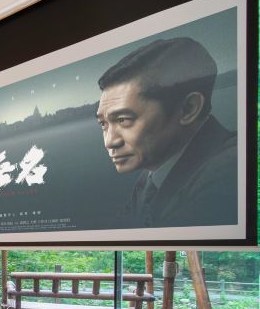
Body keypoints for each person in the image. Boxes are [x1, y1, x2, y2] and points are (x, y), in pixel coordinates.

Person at [96, 36, 237, 228]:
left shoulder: (227, 174)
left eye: (123, 120)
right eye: (103, 124)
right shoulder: (151, 177)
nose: (109, 142)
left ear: (189, 108)